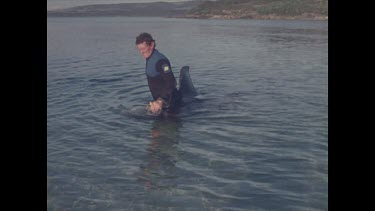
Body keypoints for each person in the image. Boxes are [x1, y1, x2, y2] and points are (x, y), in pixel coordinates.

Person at [135, 32, 181, 115]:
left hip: (171, 105)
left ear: (151, 45)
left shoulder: (161, 61)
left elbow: (171, 82)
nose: (141, 52)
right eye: (139, 50)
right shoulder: (150, 58)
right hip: (161, 105)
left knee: (166, 127)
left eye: (143, 49)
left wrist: (160, 100)